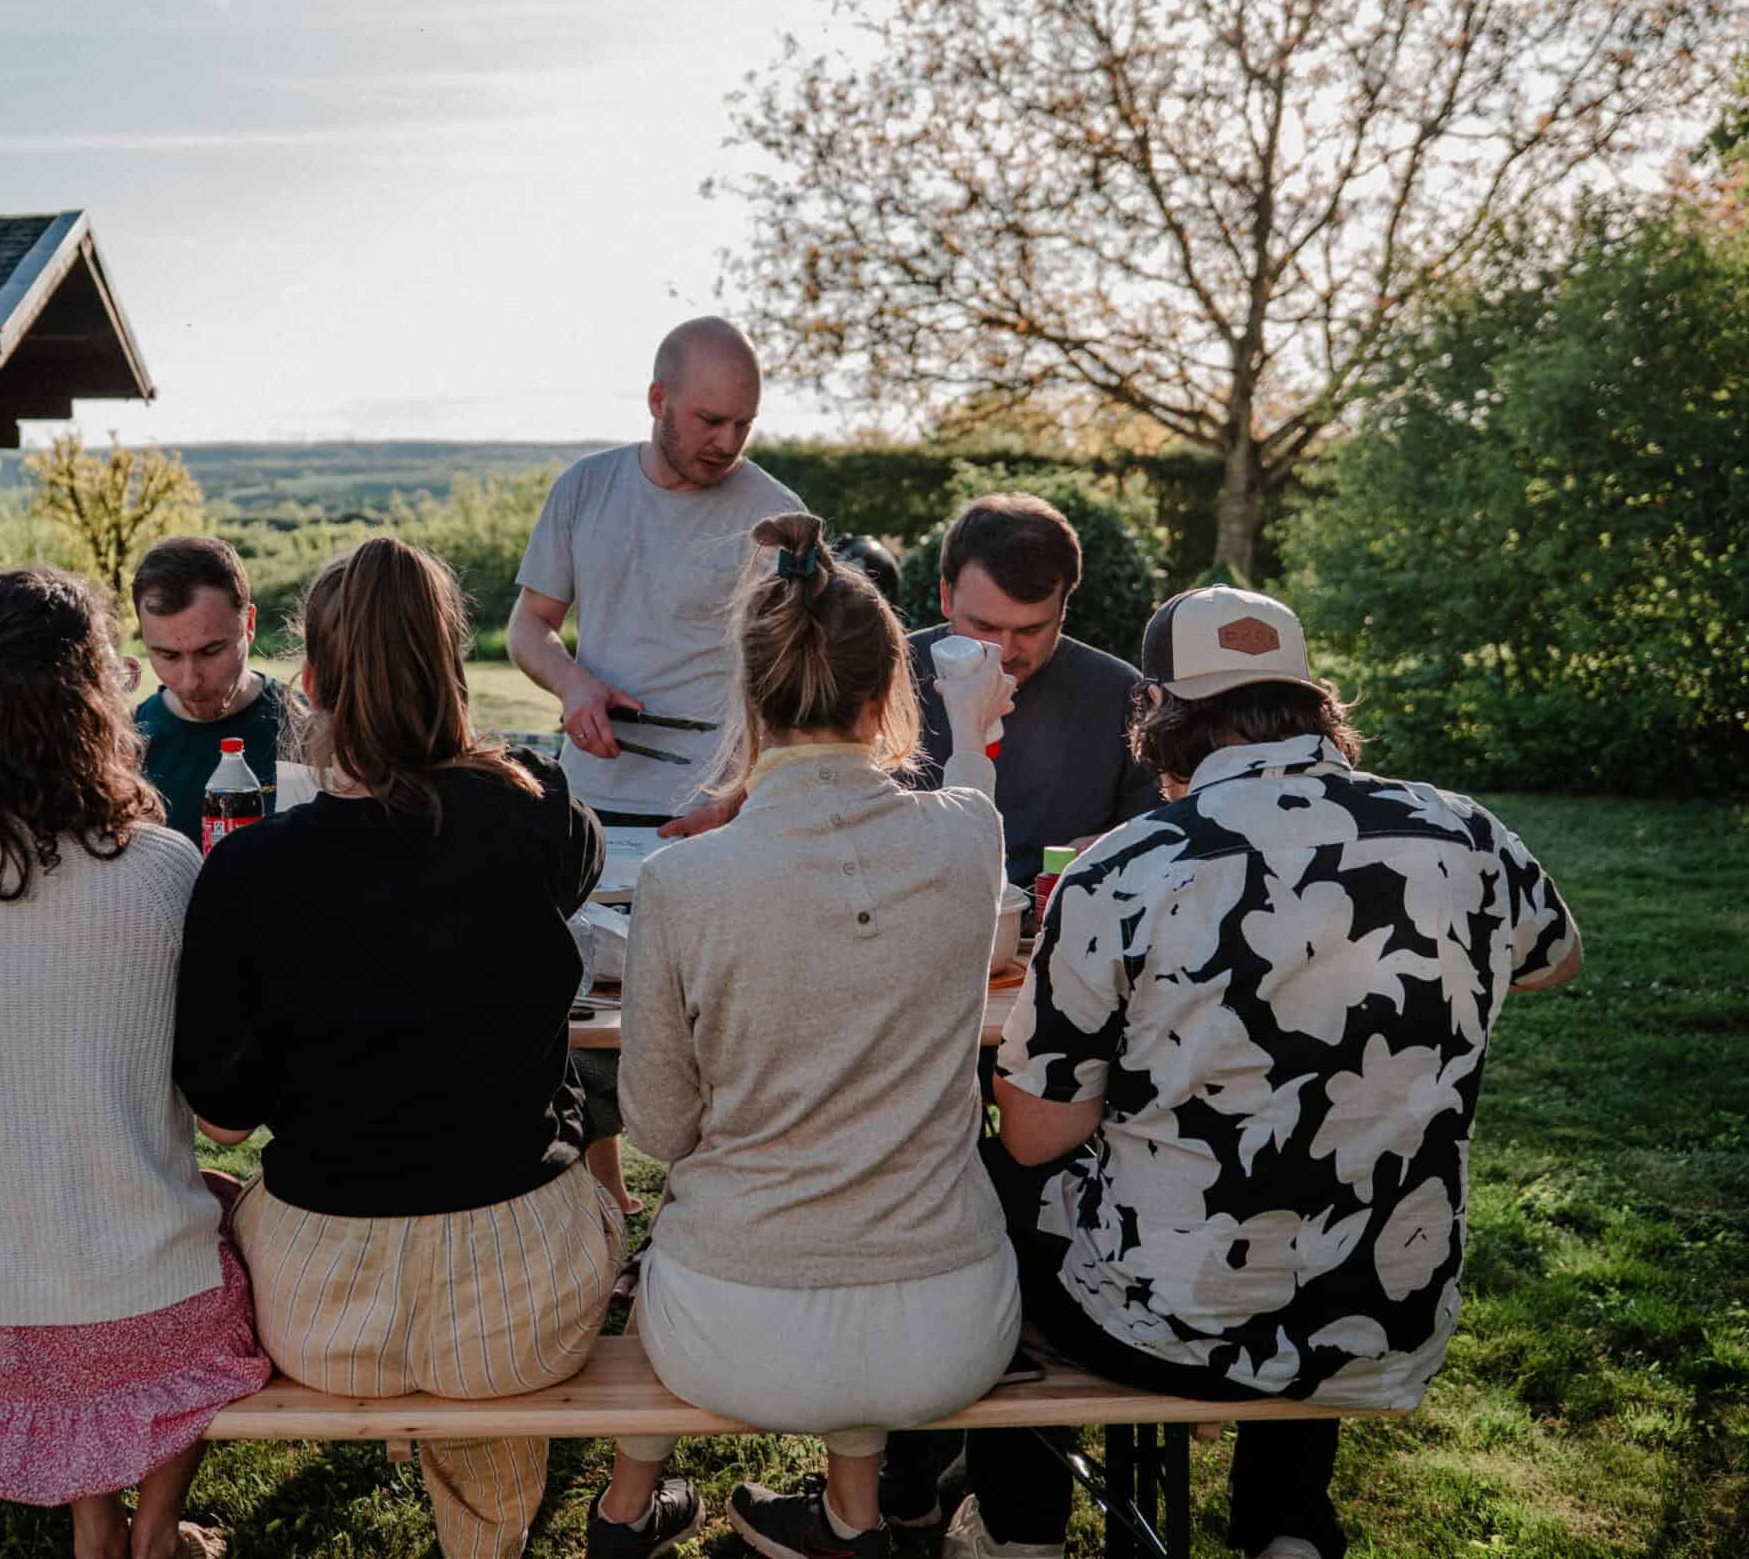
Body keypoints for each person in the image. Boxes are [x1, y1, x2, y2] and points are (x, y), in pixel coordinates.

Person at [923, 586, 1583, 1559]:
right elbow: (1552, 960)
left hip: (1164, 1319)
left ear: (1152, 711)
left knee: (985, 1185)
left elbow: (1038, 1135)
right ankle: (1284, 1524)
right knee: (1334, 1164)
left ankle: (1019, 1525)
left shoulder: (1121, 869)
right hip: (1382, 1312)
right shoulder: (1464, 833)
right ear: (1313, 705)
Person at [585, 513, 1024, 1559]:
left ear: (748, 697)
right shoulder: (969, 837)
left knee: (727, 1221)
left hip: (731, 1330)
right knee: (867, 1195)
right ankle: (852, 1518)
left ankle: (631, 1511)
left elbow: (655, 1127)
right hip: (952, 1325)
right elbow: (969, 795)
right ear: (888, 697)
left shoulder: (683, 880)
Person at [177, 536, 624, 1559]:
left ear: (315, 681)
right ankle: (486, 1540)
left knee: (207, 1186)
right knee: (555, 1214)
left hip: (323, 1308)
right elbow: (536, 856)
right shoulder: (542, 817)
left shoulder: (248, 871)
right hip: (528, 1294)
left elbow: (223, 1115)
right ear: (451, 669)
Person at [0, 567, 271, 1559]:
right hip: (139, 1323)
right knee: (206, 1220)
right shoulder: (162, 869)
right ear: (92, 697)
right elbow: (215, 1101)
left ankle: (94, 1525)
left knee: (81, 1197)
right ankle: (152, 1529)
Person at [507, 315, 807, 1209]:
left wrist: (739, 784)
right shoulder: (587, 489)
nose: (726, 442)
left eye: (741, 425)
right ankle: (604, 1190)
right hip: (598, 801)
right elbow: (530, 627)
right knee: (585, 1008)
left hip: (721, 805)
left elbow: (797, 682)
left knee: (713, 1015)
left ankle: (698, 1192)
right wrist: (574, 687)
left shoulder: (776, 518)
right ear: (657, 400)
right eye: (709, 420)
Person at [898, 493, 1160, 888]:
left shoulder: (1121, 694)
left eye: (1031, 630)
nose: (1004, 651)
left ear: (1064, 609)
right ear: (946, 597)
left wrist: (1117, 845)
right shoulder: (886, 678)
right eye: (984, 627)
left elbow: (1164, 831)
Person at [131, 535, 295, 838]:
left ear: (249, 625)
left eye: (211, 651)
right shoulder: (125, 749)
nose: (191, 680)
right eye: (168, 655)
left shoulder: (305, 731)